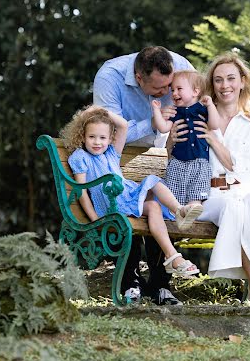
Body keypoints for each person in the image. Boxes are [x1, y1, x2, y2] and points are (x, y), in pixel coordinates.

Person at [170, 51, 250, 307]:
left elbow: (243, 173)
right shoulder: (195, 115)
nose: (225, 86)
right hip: (205, 197)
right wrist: (171, 141)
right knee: (240, 205)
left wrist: (213, 139)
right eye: (218, 80)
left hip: (240, 190)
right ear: (211, 84)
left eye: (231, 79)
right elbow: (171, 152)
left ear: (242, 81)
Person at [93, 46, 194, 305]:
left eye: (170, 86)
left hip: (161, 154)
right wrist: (152, 122)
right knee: (131, 208)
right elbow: (107, 132)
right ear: (139, 77)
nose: (167, 94)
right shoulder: (109, 77)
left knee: (160, 205)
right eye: (159, 89)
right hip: (116, 158)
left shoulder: (180, 64)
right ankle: (131, 282)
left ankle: (160, 285)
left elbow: (203, 104)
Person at [60, 105, 201, 283]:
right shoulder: (80, 157)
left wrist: (98, 110)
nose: (97, 142)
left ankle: (173, 249)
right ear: (82, 136)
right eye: (92, 137)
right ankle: (178, 217)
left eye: (103, 137)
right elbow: (81, 191)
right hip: (110, 204)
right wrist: (95, 218)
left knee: (154, 204)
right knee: (151, 181)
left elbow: (123, 126)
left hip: (125, 197)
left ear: (110, 138)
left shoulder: (111, 153)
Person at [151, 69, 221, 220]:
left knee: (197, 192)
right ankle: (180, 214)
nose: (174, 93)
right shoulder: (176, 112)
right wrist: (156, 110)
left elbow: (215, 125)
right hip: (177, 163)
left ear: (195, 91)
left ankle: (194, 208)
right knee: (174, 194)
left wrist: (210, 106)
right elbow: (163, 127)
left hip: (199, 163)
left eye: (179, 89)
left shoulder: (202, 110)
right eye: (173, 90)